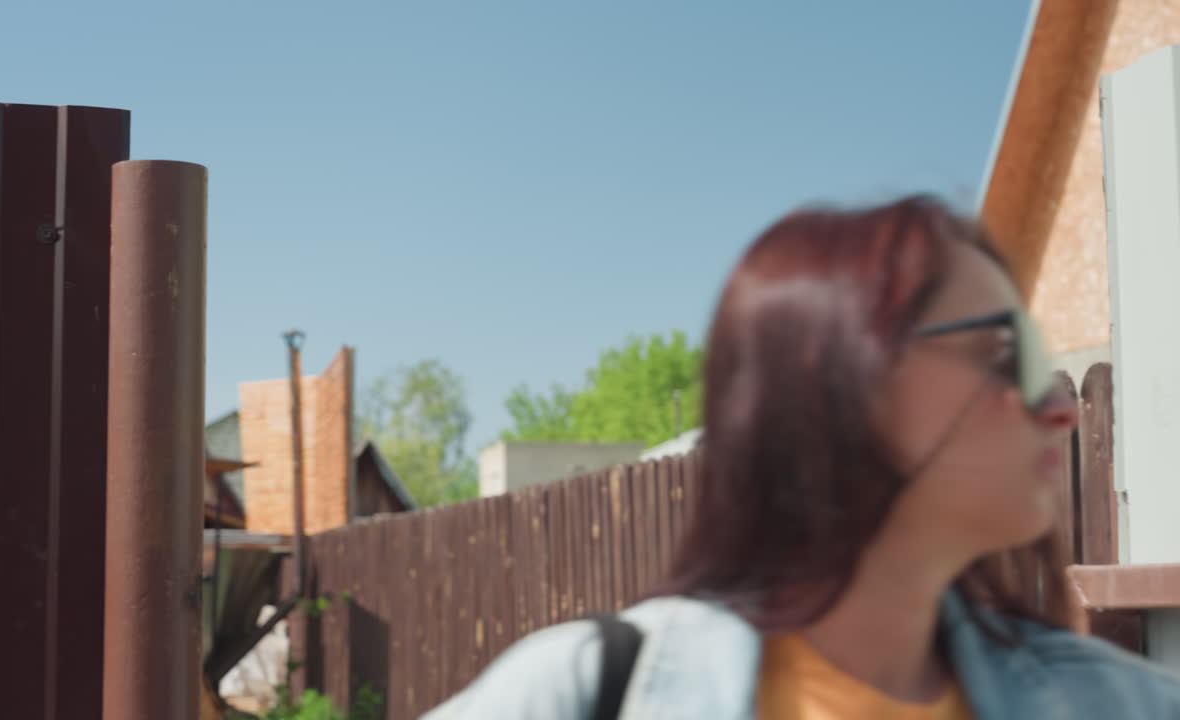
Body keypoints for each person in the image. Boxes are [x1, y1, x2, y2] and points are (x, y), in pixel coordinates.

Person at [421, 196, 1180, 719]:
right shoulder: (585, 695)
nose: (1059, 405)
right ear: (845, 380)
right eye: (1011, 353)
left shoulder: (1127, 705)